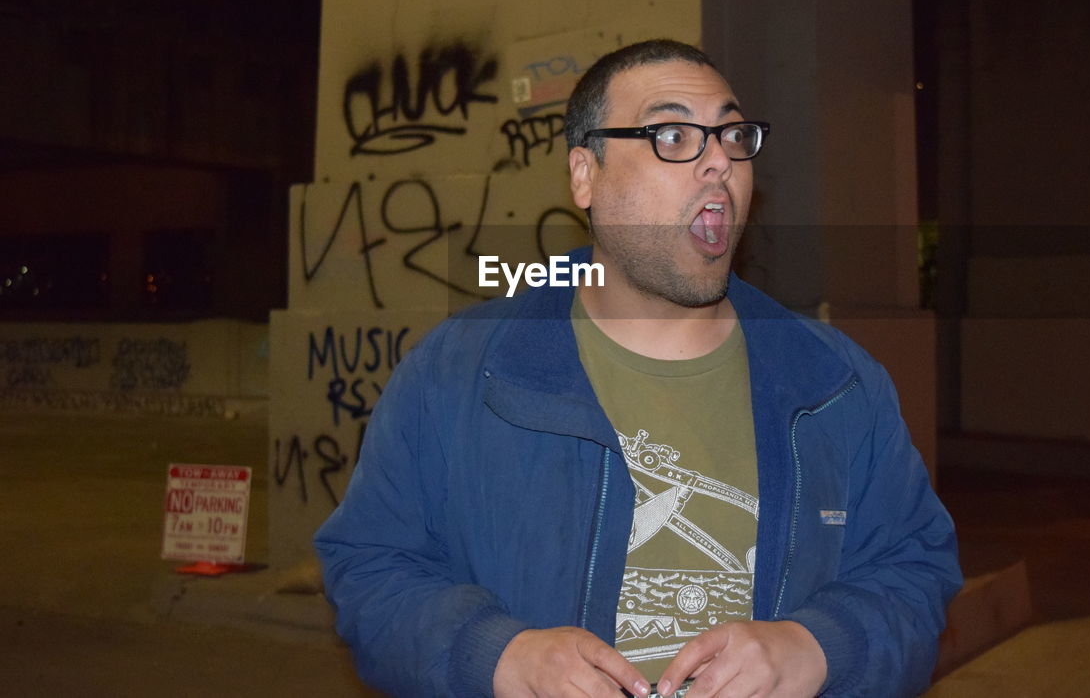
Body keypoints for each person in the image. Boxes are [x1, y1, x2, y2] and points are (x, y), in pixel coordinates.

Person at [314, 39, 962, 698]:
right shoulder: (458, 373)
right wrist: (498, 655)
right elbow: (370, 566)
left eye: (733, 135)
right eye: (673, 133)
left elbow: (913, 569)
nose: (719, 161)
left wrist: (818, 646)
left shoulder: (834, 385)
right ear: (584, 175)